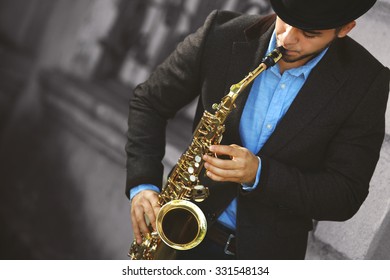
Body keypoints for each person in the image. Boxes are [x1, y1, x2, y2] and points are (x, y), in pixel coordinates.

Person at [126, 0, 389, 259]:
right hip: (175, 237)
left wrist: (260, 174)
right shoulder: (221, 32)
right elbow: (150, 103)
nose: (286, 40)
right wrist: (142, 184)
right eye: (286, 22)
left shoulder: (366, 83)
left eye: (309, 34)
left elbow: (345, 195)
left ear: (344, 29)